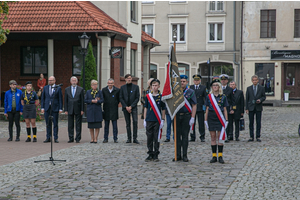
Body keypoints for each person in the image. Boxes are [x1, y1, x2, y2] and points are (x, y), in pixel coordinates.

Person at [173, 75, 197, 162]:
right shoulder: (175, 92)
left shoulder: (190, 91)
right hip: (176, 116)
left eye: (184, 81)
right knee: (177, 136)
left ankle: (185, 155)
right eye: (181, 81)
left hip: (186, 116)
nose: (182, 83)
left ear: (187, 82)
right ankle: (177, 155)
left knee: (185, 136)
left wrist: (193, 117)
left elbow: (194, 105)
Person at [205, 79, 228, 164]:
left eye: (216, 85)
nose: (215, 86)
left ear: (219, 87)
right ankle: (214, 156)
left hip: (220, 117)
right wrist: (205, 120)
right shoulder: (209, 97)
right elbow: (207, 108)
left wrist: (226, 120)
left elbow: (225, 109)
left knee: (220, 137)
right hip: (211, 116)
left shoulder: (223, 97)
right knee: (213, 137)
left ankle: (220, 156)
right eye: (213, 85)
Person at [143, 79, 166, 162]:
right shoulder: (148, 96)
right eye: (153, 85)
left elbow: (163, 109)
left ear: (159, 86)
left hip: (157, 120)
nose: (154, 87)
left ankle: (156, 154)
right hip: (149, 119)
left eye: (156, 85)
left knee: (156, 137)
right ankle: (150, 153)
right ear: (151, 86)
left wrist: (163, 119)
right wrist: (144, 119)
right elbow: (145, 107)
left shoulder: (161, 96)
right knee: (149, 137)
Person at [41, 76, 63, 143]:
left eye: (51, 80)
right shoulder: (45, 88)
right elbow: (43, 98)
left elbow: (60, 99)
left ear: (54, 81)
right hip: (47, 107)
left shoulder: (58, 88)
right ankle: (48, 137)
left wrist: (60, 108)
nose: (50, 81)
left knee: (55, 123)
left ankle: (55, 137)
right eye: (49, 80)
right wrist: (42, 107)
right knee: (48, 123)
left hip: (55, 107)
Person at [119, 74, 140, 144]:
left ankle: (135, 138)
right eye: (127, 78)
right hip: (125, 108)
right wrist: (126, 106)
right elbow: (121, 98)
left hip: (133, 107)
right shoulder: (122, 87)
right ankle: (129, 138)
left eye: (130, 78)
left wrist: (131, 106)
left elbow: (137, 98)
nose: (129, 79)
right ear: (125, 79)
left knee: (135, 122)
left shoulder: (136, 87)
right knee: (128, 123)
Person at [246, 75, 266, 142]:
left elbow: (264, 97)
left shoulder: (261, 88)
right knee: (251, 122)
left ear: (258, 80)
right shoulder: (249, 88)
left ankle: (258, 136)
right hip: (251, 107)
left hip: (258, 107)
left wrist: (260, 100)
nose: (255, 81)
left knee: (258, 122)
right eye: (253, 80)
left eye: (256, 80)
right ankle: (251, 136)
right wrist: (246, 108)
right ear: (252, 81)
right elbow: (247, 99)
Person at [64, 76, 84, 143]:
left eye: (75, 81)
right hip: (70, 108)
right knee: (70, 124)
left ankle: (78, 138)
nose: (74, 82)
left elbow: (82, 100)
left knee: (78, 124)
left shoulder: (80, 89)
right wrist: (65, 109)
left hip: (78, 108)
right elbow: (66, 100)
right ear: (70, 81)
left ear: (77, 81)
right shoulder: (67, 89)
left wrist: (82, 109)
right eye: (73, 81)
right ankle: (71, 137)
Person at [189, 74, 207, 142]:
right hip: (192, 107)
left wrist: (205, 106)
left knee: (201, 123)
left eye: (197, 80)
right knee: (192, 123)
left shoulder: (203, 87)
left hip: (200, 107)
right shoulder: (190, 87)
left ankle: (202, 136)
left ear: (200, 81)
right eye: (195, 80)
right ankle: (192, 136)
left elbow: (206, 97)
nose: (196, 81)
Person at [102, 78, 120, 143]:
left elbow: (118, 99)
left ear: (113, 83)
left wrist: (114, 103)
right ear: (107, 83)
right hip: (106, 109)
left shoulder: (117, 90)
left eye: (111, 83)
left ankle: (115, 138)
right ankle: (105, 138)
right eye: (109, 83)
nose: (110, 84)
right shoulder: (104, 90)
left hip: (114, 109)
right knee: (106, 125)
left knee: (114, 125)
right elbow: (102, 99)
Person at [219, 74, 235, 142]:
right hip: (219, 108)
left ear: (227, 81)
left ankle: (228, 136)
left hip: (227, 108)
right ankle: (221, 135)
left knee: (227, 122)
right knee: (220, 122)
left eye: (224, 80)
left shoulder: (230, 89)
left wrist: (233, 109)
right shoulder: (218, 88)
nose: (223, 81)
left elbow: (232, 100)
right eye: (222, 80)